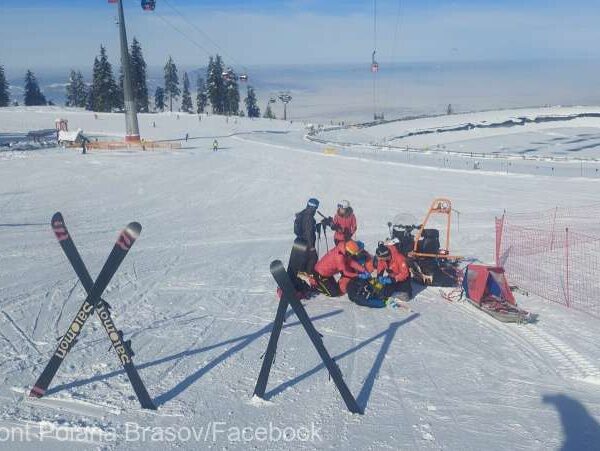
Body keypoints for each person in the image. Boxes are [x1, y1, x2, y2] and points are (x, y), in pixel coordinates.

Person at [294, 198, 320, 273]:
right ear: (313, 207)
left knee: (304, 259)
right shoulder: (309, 217)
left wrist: (316, 226)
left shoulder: (303, 213)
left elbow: (305, 228)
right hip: (307, 243)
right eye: (316, 207)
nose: (316, 209)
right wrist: (311, 247)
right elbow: (308, 232)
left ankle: (303, 273)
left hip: (301, 241)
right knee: (313, 259)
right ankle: (308, 274)